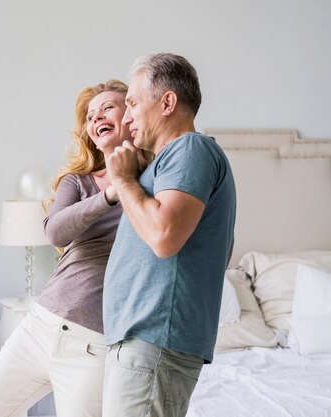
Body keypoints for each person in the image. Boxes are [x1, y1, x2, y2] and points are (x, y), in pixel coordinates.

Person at [0, 80, 150, 417]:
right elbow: (56, 231)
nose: (97, 118)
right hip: (38, 327)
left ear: (130, 115)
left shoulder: (152, 184)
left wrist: (129, 183)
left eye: (108, 108)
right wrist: (109, 194)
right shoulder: (77, 182)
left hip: (93, 346)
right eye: (91, 116)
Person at [101, 53, 236, 417]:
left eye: (131, 103)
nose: (126, 117)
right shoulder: (167, 164)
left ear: (167, 102)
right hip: (144, 344)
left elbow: (164, 236)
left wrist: (124, 180)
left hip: (154, 343)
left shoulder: (191, 149)